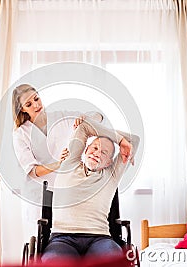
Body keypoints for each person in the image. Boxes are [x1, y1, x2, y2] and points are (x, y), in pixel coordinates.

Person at [41, 118, 140, 262]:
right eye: (94, 148)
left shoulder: (111, 176)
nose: (97, 153)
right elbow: (85, 127)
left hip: (100, 239)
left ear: (109, 162)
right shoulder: (70, 163)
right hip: (62, 238)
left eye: (104, 152)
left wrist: (121, 142)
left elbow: (134, 140)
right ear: (85, 150)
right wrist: (118, 139)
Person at [11, 84, 103, 239]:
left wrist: (86, 118)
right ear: (22, 109)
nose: (36, 105)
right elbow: (32, 170)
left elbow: (98, 117)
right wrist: (59, 164)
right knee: (43, 240)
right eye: (29, 104)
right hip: (40, 194)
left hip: (67, 190)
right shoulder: (21, 133)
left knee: (69, 237)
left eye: (36, 99)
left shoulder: (60, 117)